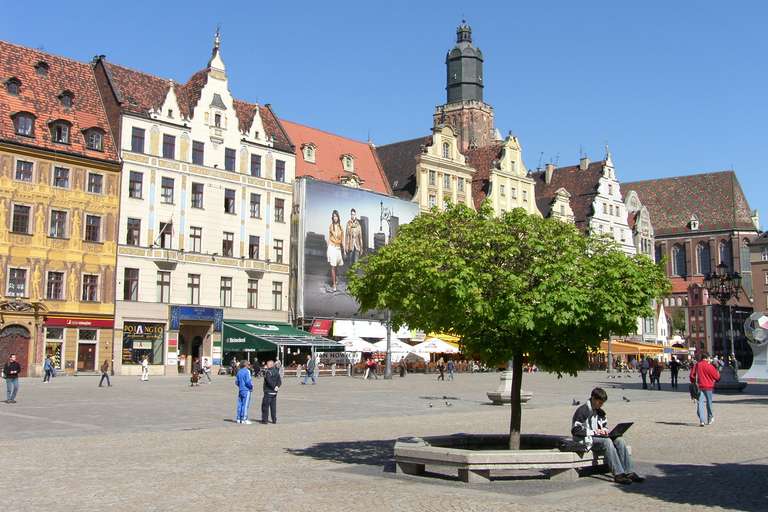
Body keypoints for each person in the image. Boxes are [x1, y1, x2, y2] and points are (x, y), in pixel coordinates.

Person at [572, 387, 645, 485]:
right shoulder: (582, 411)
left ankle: (630, 472)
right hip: (585, 440)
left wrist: (605, 431)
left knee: (619, 440)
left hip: (598, 438)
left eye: (603, 403)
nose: (602, 405)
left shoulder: (600, 412)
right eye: (600, 402)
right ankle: (618, 474)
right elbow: (575, 430)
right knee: (607, 442)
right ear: (593, 398)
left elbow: (604, 426)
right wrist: (595, 432)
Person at [690, 351, 720, 427]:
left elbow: (691, 376)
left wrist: (694, 382)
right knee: (709, 403)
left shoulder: (697, 365)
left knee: (700, 403)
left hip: (699, 387)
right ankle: (710, 419)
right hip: (709, 387)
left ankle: (702, 420)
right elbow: (716, 377)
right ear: (707, 358)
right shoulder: (710, 366)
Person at [327, 210, 346, 292]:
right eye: (334, 216)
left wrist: (344, 250)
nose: (335, 218)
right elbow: (329, 238)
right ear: (332, 217)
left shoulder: (341, 227)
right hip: (331, 246)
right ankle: (334, 284)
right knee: (332, 266)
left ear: (338, 217)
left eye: (336, 216)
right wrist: (327, 250)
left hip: (338, 247)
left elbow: (342, 240)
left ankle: (336, 276)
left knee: (337, 265)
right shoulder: (330, 226)